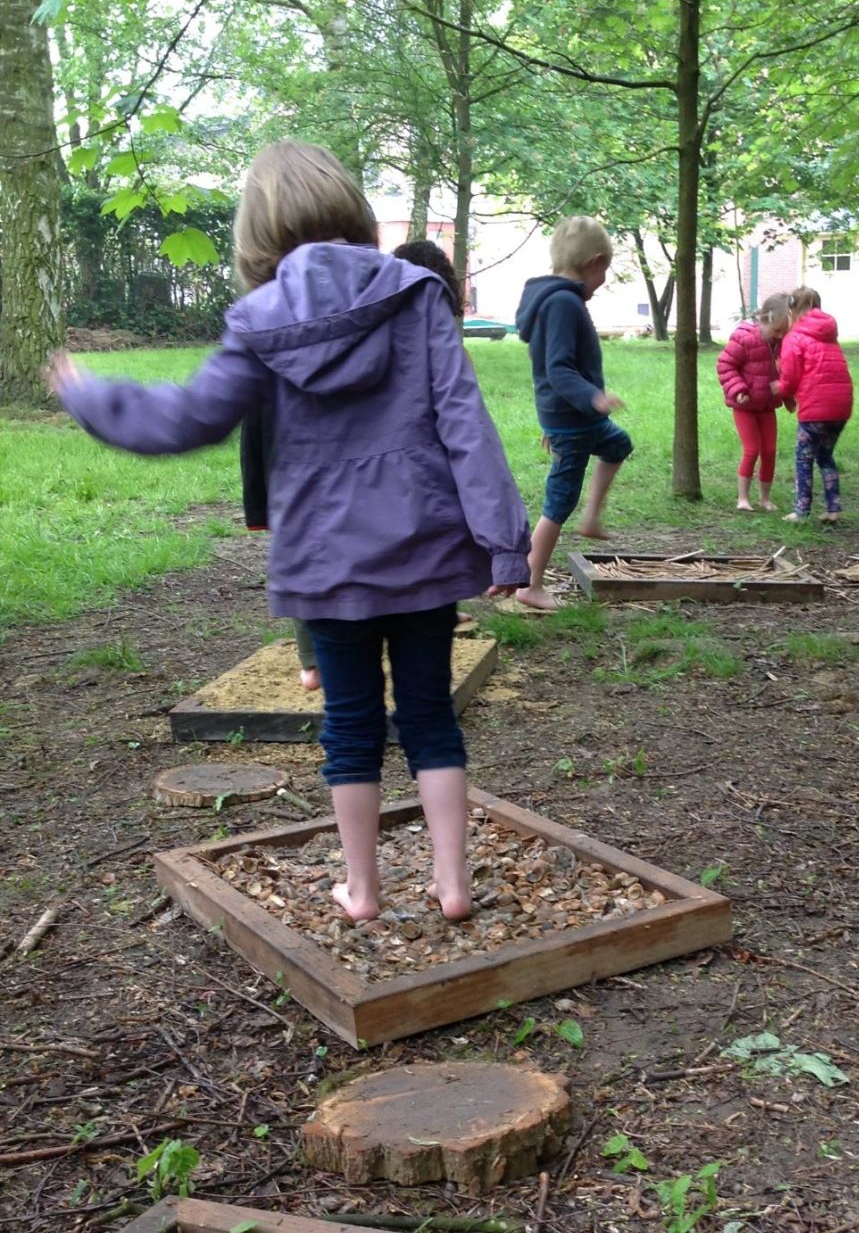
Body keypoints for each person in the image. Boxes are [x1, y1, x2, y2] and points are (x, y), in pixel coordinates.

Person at [51, 139, 531, 925]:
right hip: (426, 548)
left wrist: (91, 396)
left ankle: (364, 890)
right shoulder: (417, 294)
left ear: (256, 236)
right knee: (429, 712)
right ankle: (452, 884)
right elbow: (465, 425)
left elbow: (189, 417)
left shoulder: (260, 320)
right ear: (354, 213)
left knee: (349, 725)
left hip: (328, 560)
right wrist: (504, 542)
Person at [239, 235, 468, 694]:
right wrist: (260, 504)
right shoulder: (276, 323)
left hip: (349, 486)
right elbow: (254, 424)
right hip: (299, 483)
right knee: (311, 566)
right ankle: (314, 661)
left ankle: (343, 649)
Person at [515, 216, 632, 612]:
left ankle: (592, 519)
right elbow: (558, 368)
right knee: (558, 501)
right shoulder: (563, 302)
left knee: (618, 443)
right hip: (575, 419)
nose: (602, 281)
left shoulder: (554, 298)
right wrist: (593, 399)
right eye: (606, 271)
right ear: (595, 262)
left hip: (572, 418)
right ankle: (529, 583)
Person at [773, 287, 854, 524]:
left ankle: (801, 511)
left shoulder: (794, 337)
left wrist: (778, 387)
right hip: (841, 406)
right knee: (825, 455)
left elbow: (790, 379)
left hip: (816, 408)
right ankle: (833, 508)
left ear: (792, 310)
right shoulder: (829, 333)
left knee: (803, 457)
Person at [715, 294, 789, 511]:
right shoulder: (745, 338)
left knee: (769, 450)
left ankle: (765, 498)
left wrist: (787, 391)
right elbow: (725, 365)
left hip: (767, 406)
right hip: (745, 406)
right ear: (764, 320)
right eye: (776, 331)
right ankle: (743, 498)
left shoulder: (782, 342)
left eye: (784, 332)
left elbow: (786, 369)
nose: (779, 336)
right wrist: (738, 389)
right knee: (752, 449)